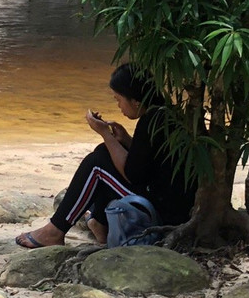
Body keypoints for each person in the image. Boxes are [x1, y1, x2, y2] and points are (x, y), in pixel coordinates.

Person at [15, 63, 196, 248]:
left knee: (96, 164)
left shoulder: (151, 120)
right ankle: (99, 223)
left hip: (162, 212)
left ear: (136, 101)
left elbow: (134, 174)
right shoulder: (166, 114)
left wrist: (106, 134)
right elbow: (151, 161)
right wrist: (124, 139)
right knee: (104, 151)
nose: (118, 105)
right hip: (172, 204)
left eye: (119, 99)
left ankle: (55, 230)